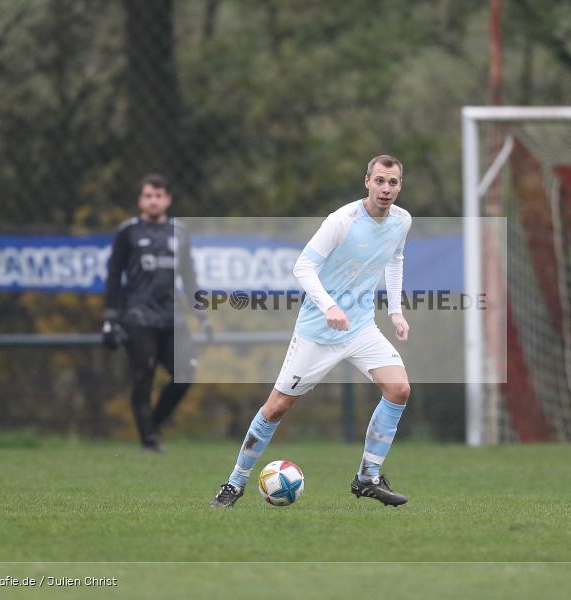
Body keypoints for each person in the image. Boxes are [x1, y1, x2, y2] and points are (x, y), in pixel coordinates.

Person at [210, 155, 412, 508]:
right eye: (379, 180)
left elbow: (395, 260)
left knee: (399, 389)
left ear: (399, 186)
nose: (385, 188)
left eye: (392, 182)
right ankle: (234, 484)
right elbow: (302, 266)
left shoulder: (401, 221)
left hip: (361, 327)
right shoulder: (342, 220)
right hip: (318, 331)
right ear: (366, 181)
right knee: (277, 407)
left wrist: (395, 311)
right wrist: (329, 306)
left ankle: (368, 477)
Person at [102, 174, 210, 453]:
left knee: (185, 373)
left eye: (158, 196)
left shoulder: (180, 232)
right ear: (140, 200)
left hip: (171, 317)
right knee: (143, 375)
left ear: (168, 200)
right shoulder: (128, 232)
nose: (153, 201)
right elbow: (114, 275)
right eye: (148, 195)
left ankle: (153, 425)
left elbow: (189, 277)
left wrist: (202, 315)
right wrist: (110, 318)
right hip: (138, 317)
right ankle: (148, 440)